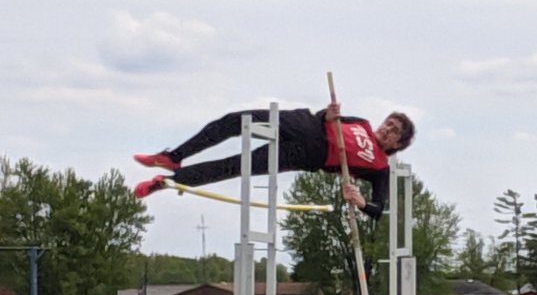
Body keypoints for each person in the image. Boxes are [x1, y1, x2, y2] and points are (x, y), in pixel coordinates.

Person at [132, 101, 415, 222]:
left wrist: (360, 201)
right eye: (388, 123)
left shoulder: (380, 168)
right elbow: (322, 117)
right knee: (234, 121)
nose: (387, 129)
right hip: (302, 123)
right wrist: (326, 115)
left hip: (305, 156)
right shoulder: (362, 123)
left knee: (235, 166)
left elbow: (378, 210)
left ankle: (165, 182)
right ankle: (173, 157)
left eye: (394, 132)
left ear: (397, 145)